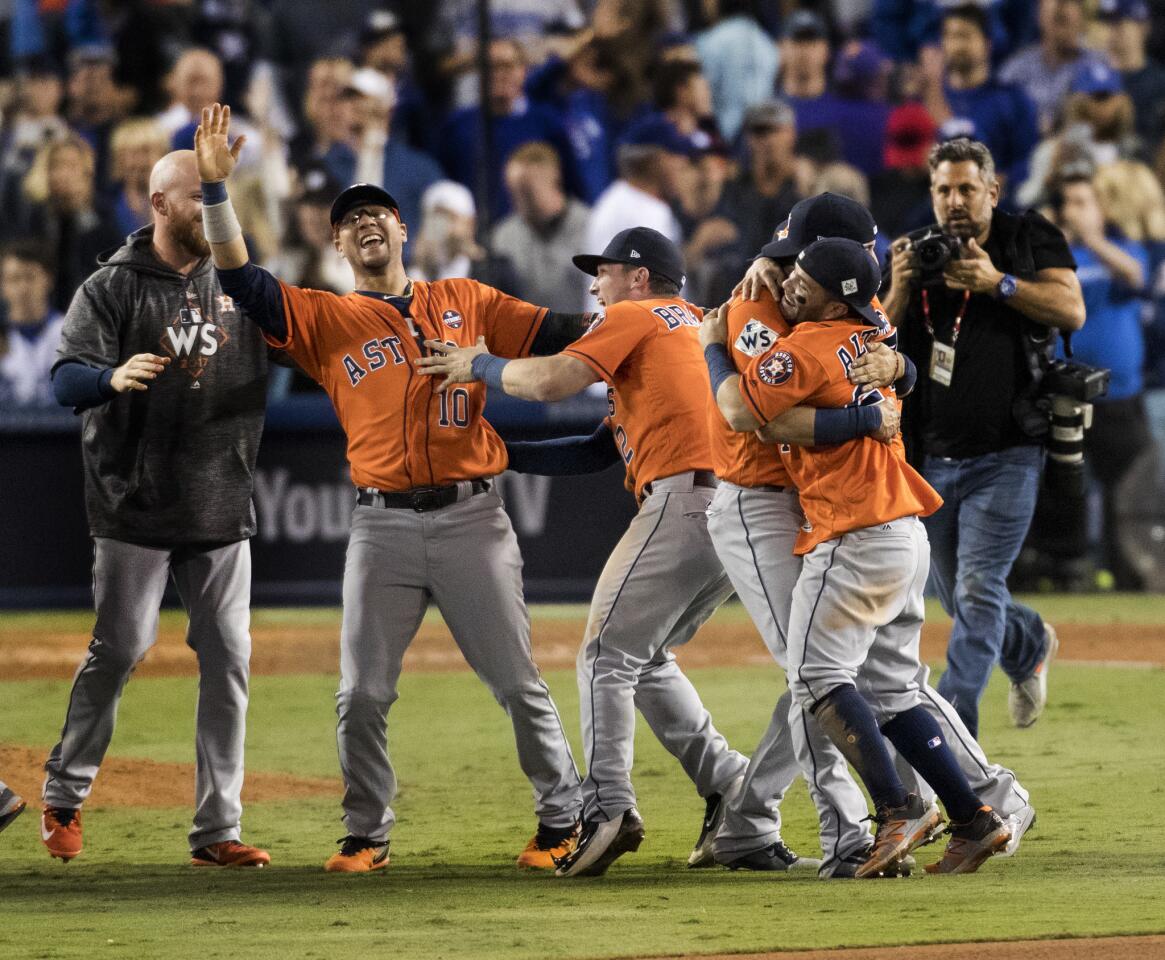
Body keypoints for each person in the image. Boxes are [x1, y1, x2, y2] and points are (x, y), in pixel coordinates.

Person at [196, 103, 588, 874]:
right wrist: (216, 192)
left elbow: (559, 332)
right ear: (335, 242)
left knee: (517, 682)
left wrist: (648, 317)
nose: (367, 222)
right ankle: (366, 833)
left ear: (404, 231)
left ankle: (563, 818)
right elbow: (240, 278)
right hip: (382, 527)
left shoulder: (466, 301)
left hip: (472, 518)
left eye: (379, 213)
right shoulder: (326, 319)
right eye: (352, 220)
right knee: (361, 695)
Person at [704, 193, 1036, 876]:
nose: (788, 280)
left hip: (843, 522)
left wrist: (710, 346)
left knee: (815, 677)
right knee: (882, 684)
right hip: (874, 519)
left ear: (829, 295)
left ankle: (875, 821)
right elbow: (886, 363)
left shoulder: (806, 326)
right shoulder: (840, 312)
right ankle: (975, 812)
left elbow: (745, 413)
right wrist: (893, 377)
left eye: (804, 276)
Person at [414, 227, 762, 879]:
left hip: (684, 499)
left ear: (636, 275)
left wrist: (478, 365)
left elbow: (553, 380)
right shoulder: (684, 326)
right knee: (644, 657)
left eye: (600, 272)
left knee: (604, 655)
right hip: (731, 505)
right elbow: (597, 448)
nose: (592, 285)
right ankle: (733, 793)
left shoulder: (632, 316)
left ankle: (606, 810)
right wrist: (502, 455)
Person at [41, 149, 271, 868]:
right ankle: (65, 792)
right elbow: (64, 380)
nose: (209, 210)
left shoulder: (240, 282)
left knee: (229, 658)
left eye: (215, 198)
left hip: (220, 503)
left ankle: (217, 831)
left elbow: (311, 336)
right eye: (195, 198)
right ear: (159, 204)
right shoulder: (112, 286)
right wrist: (111, 377)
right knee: (120, 651)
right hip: (133, 505)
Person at [882, 137, 1086, 736]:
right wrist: (895, 289)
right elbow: (873, 344)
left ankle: (952, 729)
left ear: (993, 191)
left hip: (1010, 451)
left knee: (976, 587)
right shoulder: (915, 254)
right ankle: (1026, 642)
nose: (955, 201)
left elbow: (1071, 310)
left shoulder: (1028, 237)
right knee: (964, 598)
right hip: (931, 457)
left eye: (967, 188)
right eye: (944, 189)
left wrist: (999, 282)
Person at [1050, 172, 1152, 588]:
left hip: (1118, 394)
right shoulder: (1053, 259)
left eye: (1083, 201)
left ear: (1101, 208)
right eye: (1068, 202)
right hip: (1063, 394)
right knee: (1062, 487)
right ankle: (1065, 570)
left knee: (1125, 488)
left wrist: (1092, 240)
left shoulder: (1122, 249)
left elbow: (1135, 277)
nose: (1073, 210)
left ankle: (1126, 569)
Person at [922, 5, 1040, 193]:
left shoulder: (1012, 101)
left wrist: (1005, 179)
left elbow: (1030, 159)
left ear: (987, 43)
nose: (957, 45)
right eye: (950, 36)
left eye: (965, 36)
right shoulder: (927, 99)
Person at [492, 143, 592, 312]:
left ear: (554, 178)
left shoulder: (590, 227)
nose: (519, 202)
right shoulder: (503, 237)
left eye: (527, 191)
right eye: (513, 192)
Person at [999, 0, 1109, 133]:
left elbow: (1109, 120)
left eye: (1071, 3)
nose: (1061, 5)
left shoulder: (1097, 64)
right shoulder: (1017, 68)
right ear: (1038, 15)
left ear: (1082, 16)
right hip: (1026, 146)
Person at [0, 242, 65, 408]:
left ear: (48, 280)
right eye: (13, 279)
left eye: (30, 277)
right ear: (3, 286)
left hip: (64, 431)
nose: (22, 288)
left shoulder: (74, 332)